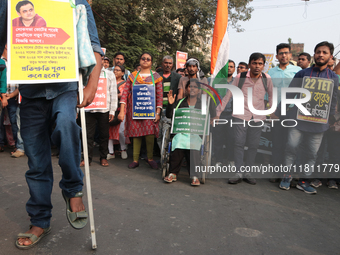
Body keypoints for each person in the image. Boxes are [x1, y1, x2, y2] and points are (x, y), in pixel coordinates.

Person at [15, 0, 103, 249]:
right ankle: (40, 220)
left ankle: (73, 188)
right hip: (30, 93)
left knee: (66, 125)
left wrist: (91, 85)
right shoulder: (12, 5)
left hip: (65, 86)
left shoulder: (76, 2)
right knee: (36, 161)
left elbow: (93, 44)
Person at [273, 41, 339, 194]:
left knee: (311, 154)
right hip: (298, 121)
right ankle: (287, 177)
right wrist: (278, 110)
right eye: (318, 52)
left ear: (330, 57)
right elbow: (290, 93)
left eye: (324, 52)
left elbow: (334, 100)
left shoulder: (333, 77)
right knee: (291, 148)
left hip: (319, 124)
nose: (320, 55)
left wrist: (332, 118)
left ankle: (304, 181)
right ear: (314, 54)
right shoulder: (302, 73)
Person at [216, 53, 274, 185]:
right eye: (254, 63)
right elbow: (228, 95)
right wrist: (218, 112)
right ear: (249, 64)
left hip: (258, 117)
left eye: (260, 64)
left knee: (253, 145)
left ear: (263, 66)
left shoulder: (267, 78)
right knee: (238, 143)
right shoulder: (240, 77)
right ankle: (238, 172)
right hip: (240, 115)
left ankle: (248, 172)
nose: (257, 66)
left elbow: (272, 96)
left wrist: (273, 113)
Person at [164, 79, 216, 186]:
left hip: (195, 134)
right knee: (178, 141)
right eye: (189, 87)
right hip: (181, 132)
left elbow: (209, 117)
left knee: (193, 144)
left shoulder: (203, 104)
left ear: (199, 90)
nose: (192, 89)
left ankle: (194, 175)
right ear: (186, 89)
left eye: (195, 87)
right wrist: (170, 104)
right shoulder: (179, 103)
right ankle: (173, 173)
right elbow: (169, 115)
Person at [118, 52, 163, 169]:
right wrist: (122, 110)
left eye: (148, 59)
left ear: (151, 62)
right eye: (143, 58)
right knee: (136, 134)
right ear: (140, 60)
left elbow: (159, 96)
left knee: (150, 134)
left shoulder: (157, 77)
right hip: (135, 110)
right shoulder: (132, 76)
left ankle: (150, 159)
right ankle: (135, 160)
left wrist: (158, 112)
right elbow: (124, 94)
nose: (145, 60)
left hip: (150, 111)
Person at [267, 43, 301, 182]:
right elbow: (267, 93)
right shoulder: (271, 73)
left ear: (290, 55)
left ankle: (290, 175)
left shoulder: (298, 71)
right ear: (277, 56)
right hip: (276, 112)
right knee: (277, 144)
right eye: (281, 53)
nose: (284, 55)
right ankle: (277, 173)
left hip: (293, 112)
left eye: (286, 53)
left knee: (293, 145)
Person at [81, 66, 117, 167]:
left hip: (104, 109)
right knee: (88, 135)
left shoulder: (109, 74)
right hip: (88, 109)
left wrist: (112, 110)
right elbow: (80, 89)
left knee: (104, 135)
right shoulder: (85, 73)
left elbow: (113, 93)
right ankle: (87, 159)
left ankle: (103, 157)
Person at [0, 45, 25, 157]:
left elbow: (22, 79)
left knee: (15, 120)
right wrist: (3, 96)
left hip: (14, 95)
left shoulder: (17, 59)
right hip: (2, 95)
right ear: (6, 46)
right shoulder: (1, 61)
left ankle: (17, 146)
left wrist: (13, 94)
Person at [213, 60, 235, 167]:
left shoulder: (237, 82)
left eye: (231, 66)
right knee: (218, 138)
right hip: (219, 115)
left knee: (232, 138)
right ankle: (218, 160)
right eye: (227, 67)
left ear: (234, 69)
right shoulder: (218, 81)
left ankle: (231, 159)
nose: (229, 68)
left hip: (233, 114)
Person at [156, 55, 182, 150]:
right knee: (158, 135)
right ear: (162, 63)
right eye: (166, 63)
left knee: (167, 135)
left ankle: (167, 155)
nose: (167, 65)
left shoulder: (178, 77)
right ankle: (161, 155)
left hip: (170, 109)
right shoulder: (156, 76)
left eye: (170, 63)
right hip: (158, 109)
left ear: (173, 65)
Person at [108, 64, 129, 160]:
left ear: (122, 73)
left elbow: (126, 96)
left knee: (121, 131)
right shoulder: (109, 82)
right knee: (109, 131)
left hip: (121, 109)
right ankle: (111, 152)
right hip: (109, 109)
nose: (115, 71)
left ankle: (123, 149)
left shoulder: (125, 83)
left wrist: (114, 95)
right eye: (114, 70)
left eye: (117, 70)